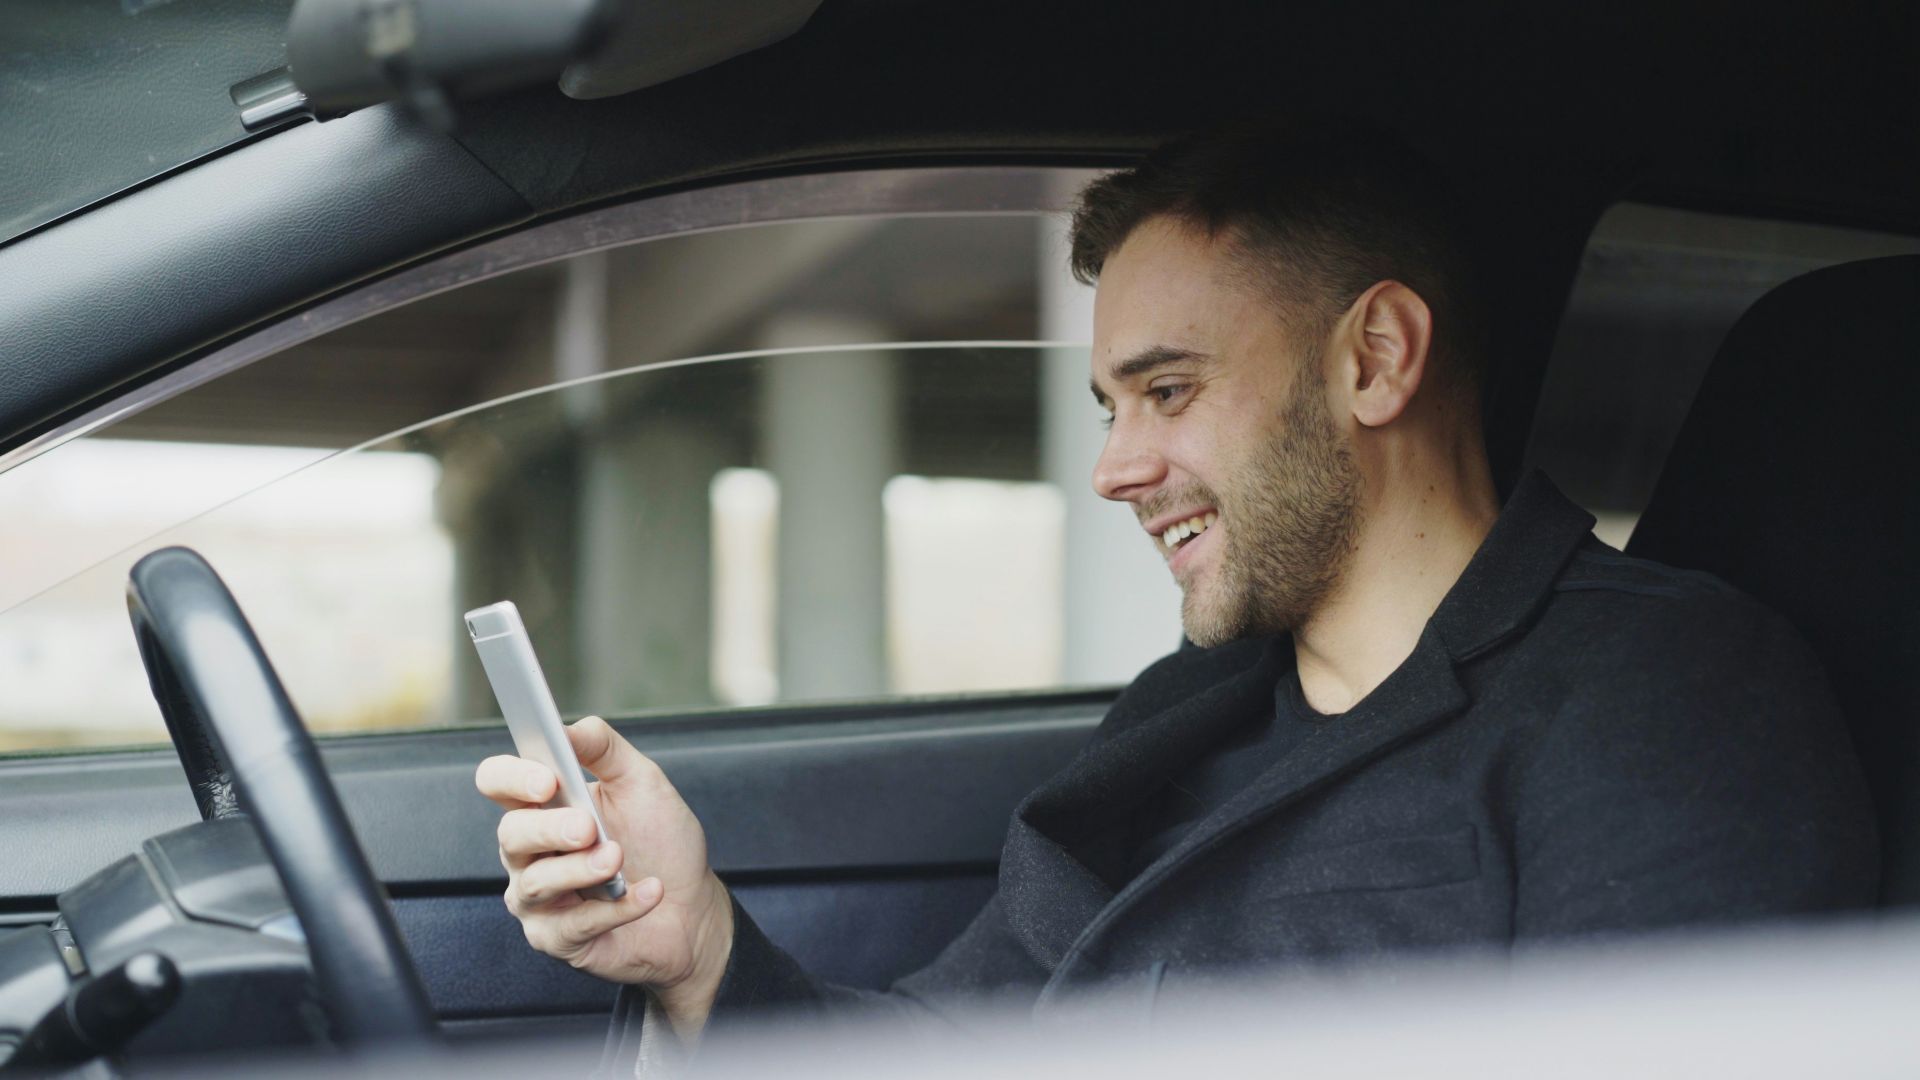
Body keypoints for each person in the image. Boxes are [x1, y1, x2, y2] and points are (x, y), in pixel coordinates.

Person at [474, 121, 1877, 1072]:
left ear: (1376, 358)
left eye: (1169, 390)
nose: (1114, 469)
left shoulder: (1669, 700)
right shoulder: (1178, 718)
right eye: (1110, 405)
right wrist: (699, 946)